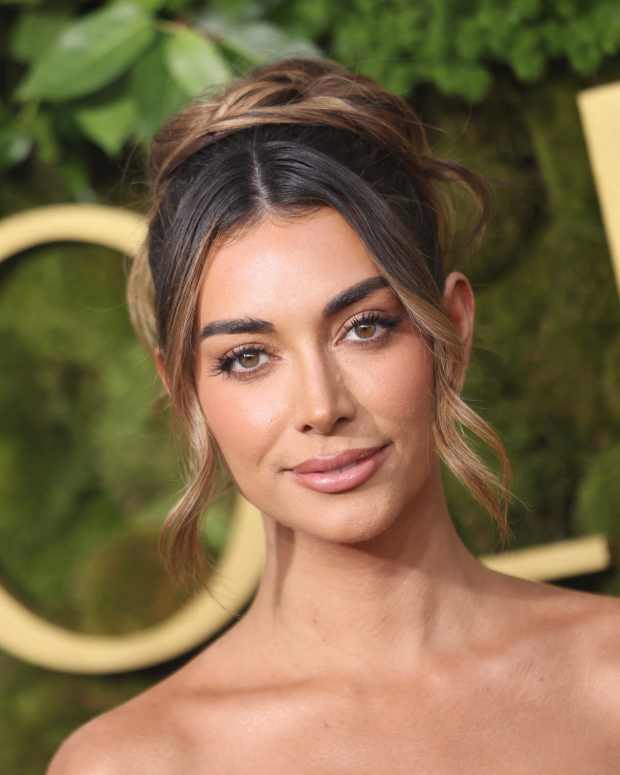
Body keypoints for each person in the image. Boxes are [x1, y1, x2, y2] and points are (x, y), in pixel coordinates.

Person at [48, 56, 620, 774]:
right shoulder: (137, 763)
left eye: (365, 327)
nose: (322, 406)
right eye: (248, 357)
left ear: (453, 331)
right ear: (184, 387)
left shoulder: (608, 683)